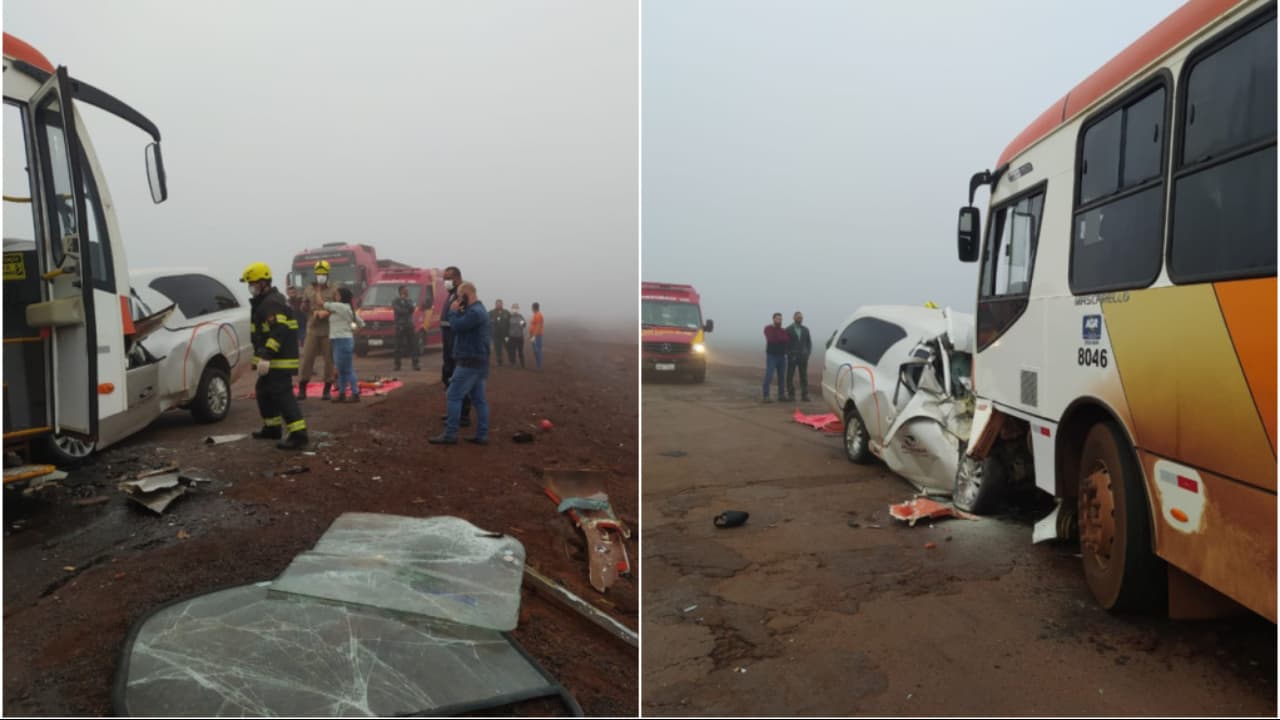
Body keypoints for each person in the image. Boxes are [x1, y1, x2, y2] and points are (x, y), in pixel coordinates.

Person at [240, 262, 307, 450]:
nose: (251, 287)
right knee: (263, 391)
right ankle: (272, 428)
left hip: (279, 359)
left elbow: (278, 331)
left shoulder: (271, 303)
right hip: (274, 358)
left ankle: (299, 434)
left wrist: (267, 356)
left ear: (263, 282)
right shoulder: (267, 301)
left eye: (253, 283)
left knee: (282, 394)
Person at [429, 281, 490, 446]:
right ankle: (482, 435)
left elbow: (457, 326)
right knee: (478, 399)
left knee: (453, 395)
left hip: (469, 361)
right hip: (478, 361)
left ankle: (450, 434)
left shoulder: (475, 313)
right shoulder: (478, 310)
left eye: (459, 296)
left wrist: (453, 311)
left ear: (465, 295)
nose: (457, 299)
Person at [298, 260, 339, 400]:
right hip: (313, 329)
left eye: (323, 274)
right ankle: (302, 388)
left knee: (329, 361)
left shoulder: (334, 289)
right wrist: (303, 306)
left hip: (328, 329)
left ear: (327, 274)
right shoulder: (309, 289)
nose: (320, 276)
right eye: (318, 273)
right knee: (307, 359)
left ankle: (327, 389)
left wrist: (326, 312)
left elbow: (339, 308)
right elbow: (304, 305)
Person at [318, 287, 365, 402]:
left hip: (341, 341)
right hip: (344, 340)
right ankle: (343, 393)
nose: (335, 296)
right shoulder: (348, 309)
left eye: (337, 295)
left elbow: (321, 303)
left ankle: (354, 393)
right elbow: (362, 324)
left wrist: (317, 290)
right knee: (342, 369)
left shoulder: (338, 307)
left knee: (346, 369)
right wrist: (352, 332)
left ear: (342, 297)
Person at [439, 266, 471, 427]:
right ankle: (455, 412)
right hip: (448, 344)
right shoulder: (451, 295)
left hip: (456, 345)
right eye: (443, 279)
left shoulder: (461, 295)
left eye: (448, 278)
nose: (445, 282)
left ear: (457, 278)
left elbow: (462, 321)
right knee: (448, 377)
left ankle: (463, 415)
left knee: (458, 380)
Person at [391, 285, 420, 372]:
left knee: (413, 345)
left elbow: (412, 309)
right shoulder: (395, 301)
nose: (407, 292)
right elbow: (399, 311)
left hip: (409, 325)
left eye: (407, 290)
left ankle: (415, 364)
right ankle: (397, 365)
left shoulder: (410, 300)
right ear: (400, 292)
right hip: (399, 326)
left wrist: (406, 302)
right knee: (398, 347)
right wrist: (406, 308)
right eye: (405, 290)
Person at [786, 311, 813, 402]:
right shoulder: (788, 329)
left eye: (801, 317)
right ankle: (791, 395)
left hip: (803, 357)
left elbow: (809, 343)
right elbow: (785, 344)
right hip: (792, 356)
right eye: (798, 317)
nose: (799, 319)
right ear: (794, 318)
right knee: (790, 376)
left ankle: (804, 395)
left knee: (804, 376)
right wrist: (789, 353)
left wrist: (808, 354)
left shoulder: (806, 329)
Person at [762, 312, 789, 402]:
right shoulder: (768, 328)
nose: (779, 320)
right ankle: (766, 396)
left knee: (781, 376)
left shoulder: (783, 330)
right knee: (769, 375)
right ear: (773, 319)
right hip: (772, 356)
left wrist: (780, 339)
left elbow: (786, 339)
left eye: (780, 319)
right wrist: (781, 339)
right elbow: (771, 338)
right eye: (777, 318)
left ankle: (781, 395)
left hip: (782, 356)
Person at [489, 299, 511, 367]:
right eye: (497, 304)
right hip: (496, 335)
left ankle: (512, 361)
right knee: (498, 349)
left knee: (509, 348)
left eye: (500, 304)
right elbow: (486, 320)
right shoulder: (491, 312)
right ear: (495, 304)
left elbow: (511, 322)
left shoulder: (506, 312)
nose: (498, 305)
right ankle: (499, 362)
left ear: (502, 304)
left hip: (506, 335)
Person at [507, 303, 527, 368]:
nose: (515, 309)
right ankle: (513, 363)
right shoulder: (509, 316)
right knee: (512, 351)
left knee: (520, 351)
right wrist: (506, 337)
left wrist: (523, 323)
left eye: (516, 308)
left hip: (519, 337)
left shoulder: (520, 316)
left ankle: (522, 364)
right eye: (514, 308)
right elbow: (506, 326)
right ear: (512, 309)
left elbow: (524, 325)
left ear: (518, 309)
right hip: (511, 337)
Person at [530, 302, 545, 370]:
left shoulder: (538, 315)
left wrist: (534, 336)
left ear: (533, 308)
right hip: (534, 335)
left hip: (537, 336)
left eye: (532, 307)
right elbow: (533, 325)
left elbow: (538, 326)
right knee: (536, 351)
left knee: (537, 350)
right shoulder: (535, 315)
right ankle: (538, 365)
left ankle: (539, 366)